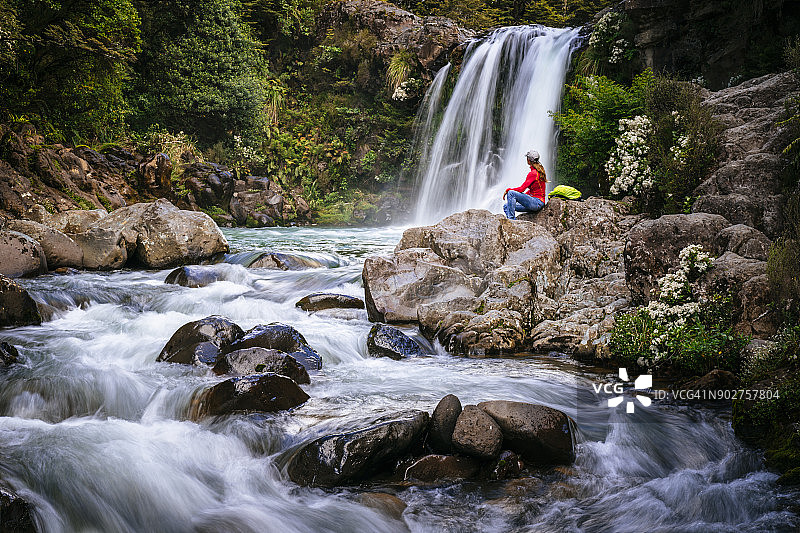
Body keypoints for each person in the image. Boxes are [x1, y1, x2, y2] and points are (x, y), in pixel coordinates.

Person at [503, 150, 548, 219]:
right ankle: (513, 222)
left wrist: (507, 190)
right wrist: (522, 198)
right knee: (506, 206)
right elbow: (532, 191)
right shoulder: (539, 171)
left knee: (511, 193)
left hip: (536, 203)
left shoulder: (533, 173)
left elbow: (521, 189)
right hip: (537, 203)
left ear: (528, 160)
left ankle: (511, 220)